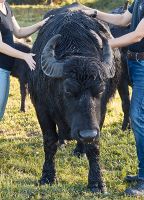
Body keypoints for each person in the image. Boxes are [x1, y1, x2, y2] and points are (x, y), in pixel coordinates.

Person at [83, 0, 144, 197]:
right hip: (135, 64)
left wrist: (101, 44)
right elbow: (123, 19)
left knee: (137, 117)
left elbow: (137, 35)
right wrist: (94, 13)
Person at [0, 0, 49, 120]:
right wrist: (24, 55)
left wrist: (40, 24)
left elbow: (19, 32)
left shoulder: (5, 6)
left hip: (5, 67)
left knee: (1, 108)